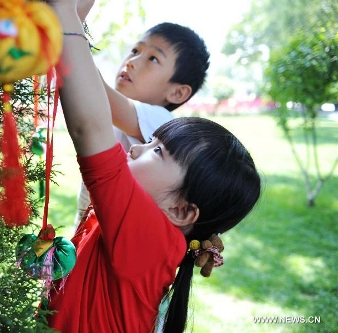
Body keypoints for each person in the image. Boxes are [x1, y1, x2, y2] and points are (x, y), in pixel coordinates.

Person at [45, 0, 261, 332]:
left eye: (157, 151)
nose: (133, 152)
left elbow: (91, 125)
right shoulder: (155, 231)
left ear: (181, 210)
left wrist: (64, 12)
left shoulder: (149, 236)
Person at [74, 3, 211, 225]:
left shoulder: (162, 122)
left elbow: (95, 91)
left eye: (153, 59)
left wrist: (72, 27)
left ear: (177, 92)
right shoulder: (119, 115)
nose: (132, 61)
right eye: (136, 51)